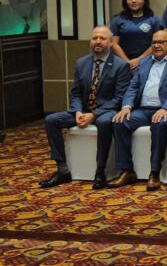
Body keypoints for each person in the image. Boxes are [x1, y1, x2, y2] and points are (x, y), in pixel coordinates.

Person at [40, 26, 131, 189]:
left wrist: (94, 115)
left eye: (102, 39)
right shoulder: (82, 63)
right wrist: (77, 111)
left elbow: (118, 98)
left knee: (104, 122)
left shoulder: (120, 65)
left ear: (110, 43)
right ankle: (62, 169)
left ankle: (100, 171)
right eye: (94, 38)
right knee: (51, 120)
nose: (97, 41)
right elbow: (75, 93)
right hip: (83, 110)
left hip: (106, 111)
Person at [109, 30, 167, 191]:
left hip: (166, 109)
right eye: (154, 42)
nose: (157, 45)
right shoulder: (145, 61)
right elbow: (133, 87)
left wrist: (166, 108)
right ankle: (127, 171)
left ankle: (154, 172)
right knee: (120, 121)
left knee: (159, 124)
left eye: (161, 42)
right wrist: (126, 107)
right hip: (143, 109)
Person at [110, 0, 162, 72]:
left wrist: (139, 60)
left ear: (144, 0)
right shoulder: (117, 20)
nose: (133, 1)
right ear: (125, 1)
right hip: (122, 64)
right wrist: (127, 62)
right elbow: (114, 44)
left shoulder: (154, 20)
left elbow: (157, 43)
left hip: (148, 62)